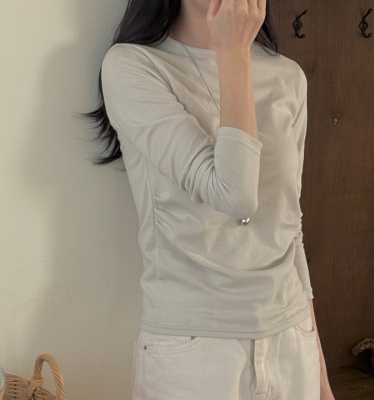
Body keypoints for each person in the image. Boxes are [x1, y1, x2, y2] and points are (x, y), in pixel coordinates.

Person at [86, 0, 335, 398]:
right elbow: (234, 195)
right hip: (195, 351)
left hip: (292, 341)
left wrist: (318, 369)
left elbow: (290, 229)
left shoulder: (287, 76)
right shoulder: (134, 65)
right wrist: (233, 53)